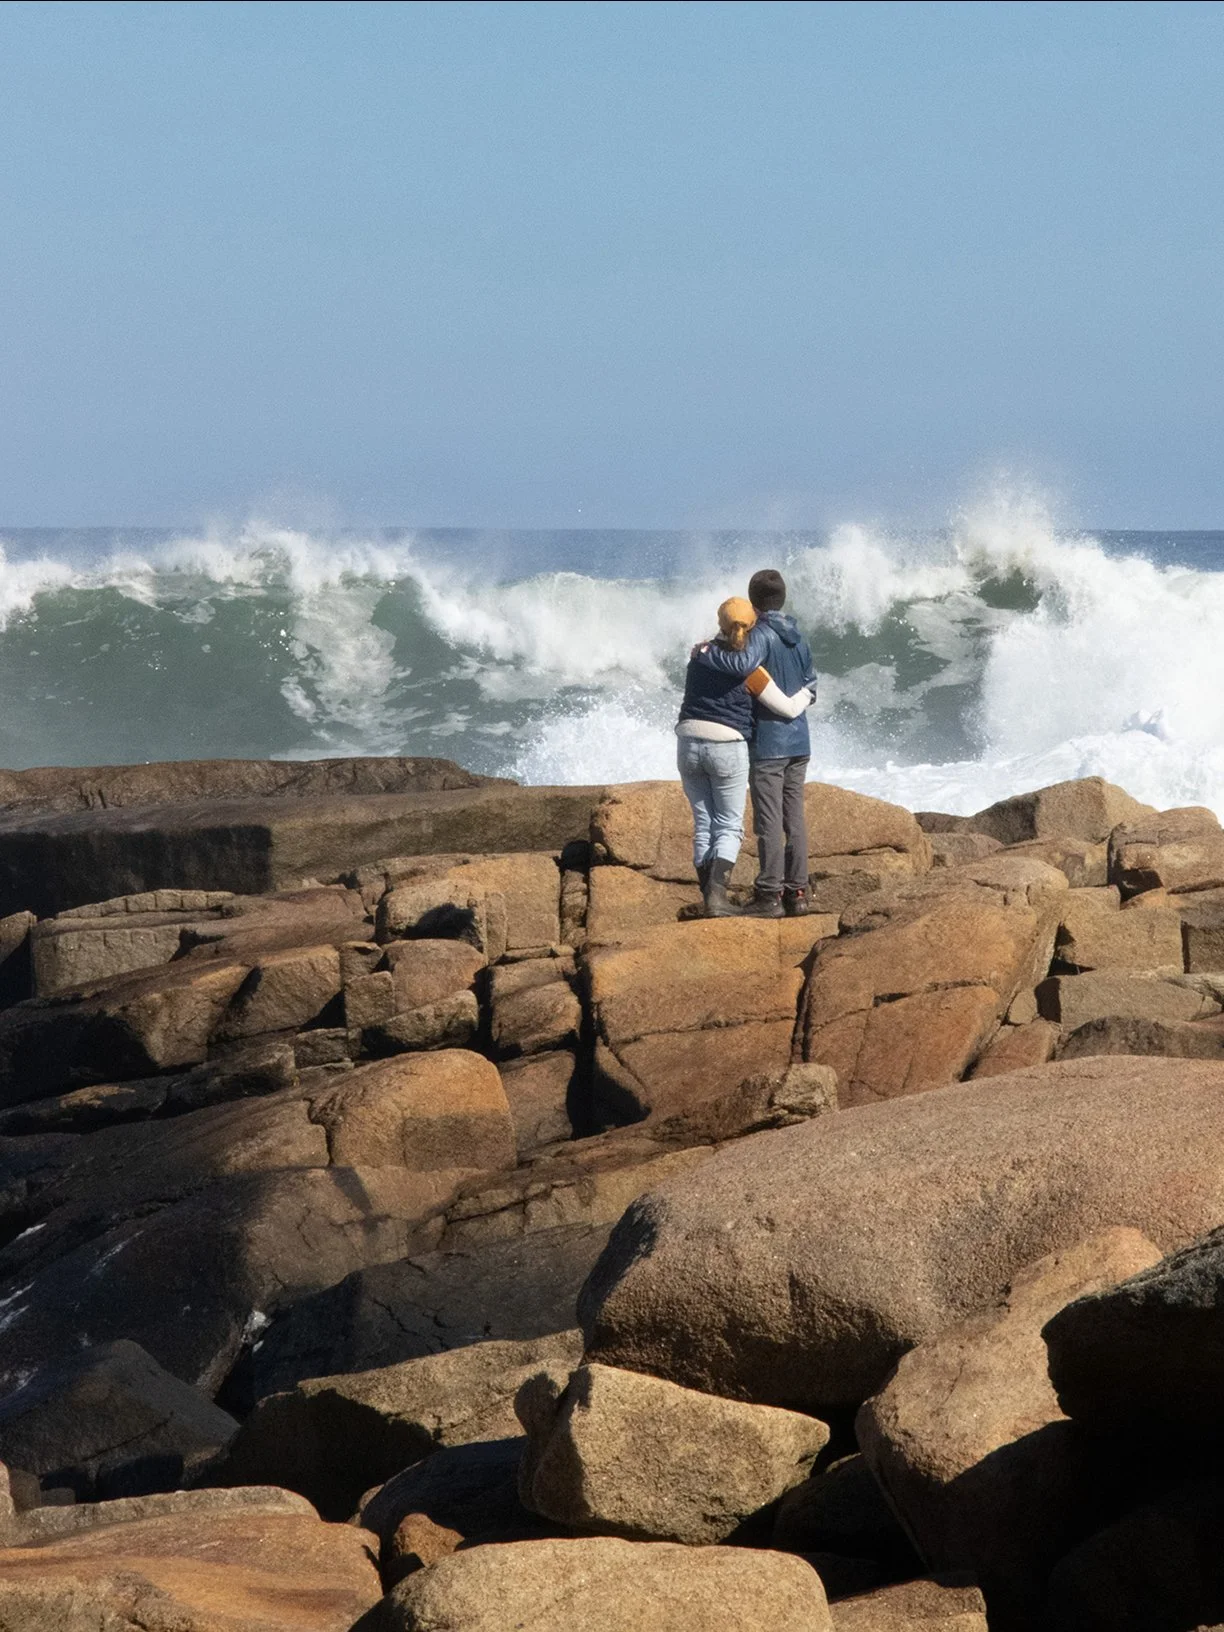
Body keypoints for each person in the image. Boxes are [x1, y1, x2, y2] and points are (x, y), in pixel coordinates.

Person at [676, 596, 815, 918]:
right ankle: (717, 898)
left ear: (720, 624)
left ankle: (709, 896)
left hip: (687, 740)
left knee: (704, 824)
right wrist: (809, 690)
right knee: (728, 825)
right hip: (727, 744)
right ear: (751, 627)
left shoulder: (699, 656)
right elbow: (787, 708)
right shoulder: (750, 669)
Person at [740, 568, 819, 918]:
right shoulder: (798, 638)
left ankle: (770, 894)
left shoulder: (758, 636)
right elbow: (812, 686)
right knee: (794, 819)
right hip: (800, 741)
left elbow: (742, 669)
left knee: (769, 821)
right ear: (782, 599)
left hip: (769, 744)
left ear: (753, 602)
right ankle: (797, 893)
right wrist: (792, 707)